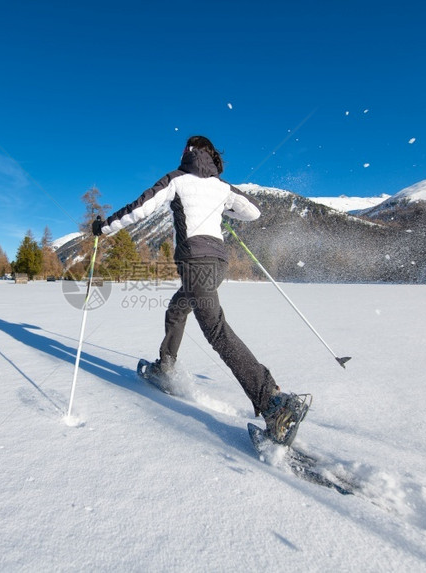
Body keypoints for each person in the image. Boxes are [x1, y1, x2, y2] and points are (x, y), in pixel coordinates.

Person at [91, 135, 308, 444]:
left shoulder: (176, 180)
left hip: (196, 262)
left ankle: (273, 403)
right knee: (178, 308)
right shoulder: (221, 187)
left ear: (188, 152)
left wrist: (103, 227)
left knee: (216, 330)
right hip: (218, 263)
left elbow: (138, 209)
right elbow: (253, 212)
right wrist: (225, 209)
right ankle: (166, 366)